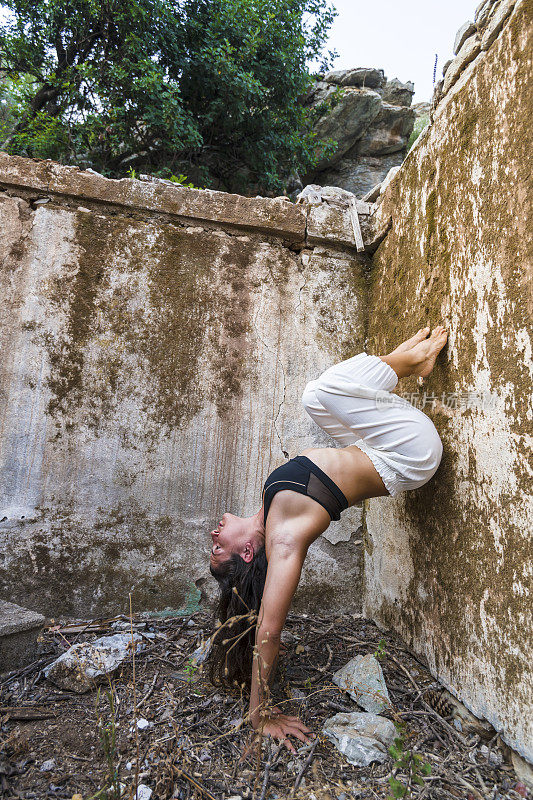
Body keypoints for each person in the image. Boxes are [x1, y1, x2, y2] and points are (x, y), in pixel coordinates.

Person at [208, 325, 448, 752]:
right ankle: (408, 362)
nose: (213, 533)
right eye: (216, 547)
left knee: (313, 398)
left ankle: (399, 361)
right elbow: (269, 626)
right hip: (412, 452)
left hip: (377, 449)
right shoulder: (282, 538)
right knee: (331, 388)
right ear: (247, 551)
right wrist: (259, 711)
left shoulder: (272, 509)